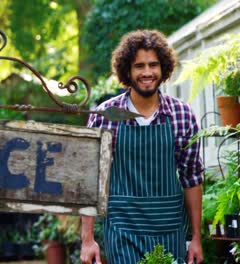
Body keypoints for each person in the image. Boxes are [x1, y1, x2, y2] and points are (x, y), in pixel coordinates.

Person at [80, 29, 204, 264]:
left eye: (153, 65)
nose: (147, 72)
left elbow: (192, 179)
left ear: (163, 68)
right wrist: (87, 239)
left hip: (169, 229)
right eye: (139, 66)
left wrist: (196, 237)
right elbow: (91, 178)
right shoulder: (105, 115)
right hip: (122, 228)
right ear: (127, 70)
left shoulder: (182, 115)